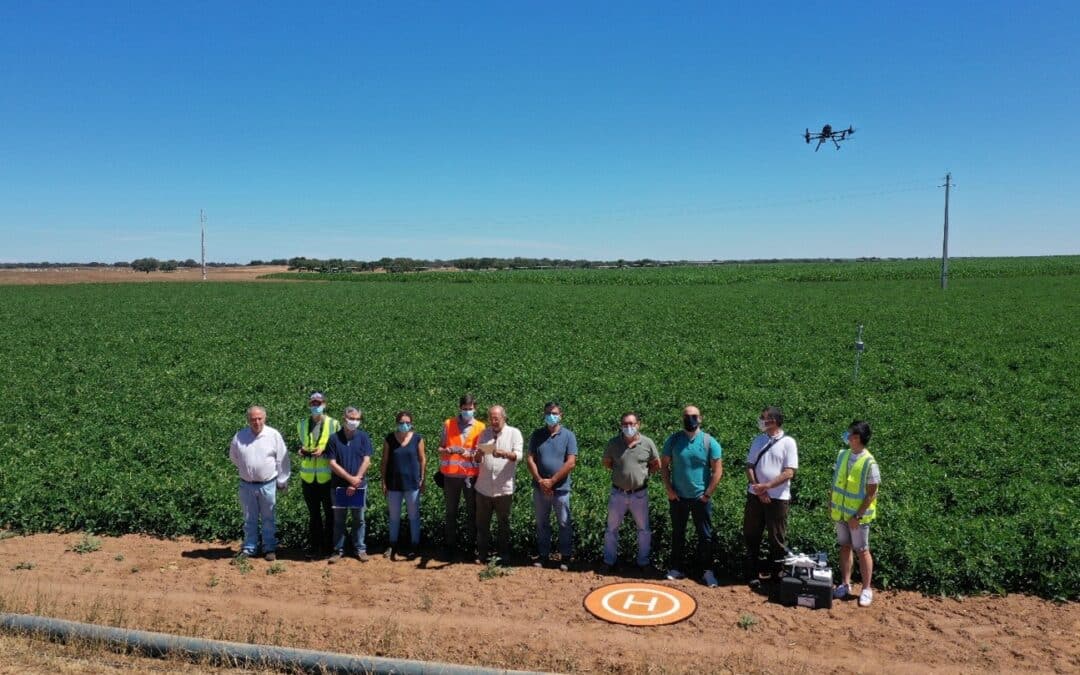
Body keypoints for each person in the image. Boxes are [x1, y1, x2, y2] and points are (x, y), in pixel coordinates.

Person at [661, 405, 723, 587]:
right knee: (678, 534)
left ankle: (706, 571)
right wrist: (669, 490)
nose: (690, 419)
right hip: (678, 497)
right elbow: (664, 466)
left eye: (694, 416)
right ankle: (676, 568)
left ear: (700, 418)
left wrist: (707, 494)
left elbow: (718, 470)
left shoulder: (709, 442)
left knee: (705, 536)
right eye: (687, 416)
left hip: (700, 498)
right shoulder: (673, 440)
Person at [743, 406, 799, 588]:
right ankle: (752, 574)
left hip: (778, 498)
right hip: (755, 497)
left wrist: (767, 486)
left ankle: (776, 576)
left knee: (777, 538)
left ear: (774, 421)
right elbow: (749, 466)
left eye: (764, 417)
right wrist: (759, 489)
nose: (761, 420)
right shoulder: (758, 440)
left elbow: (789, 472)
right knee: (752, 535)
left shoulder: (788, 442)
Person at [602, 412, 661, 575]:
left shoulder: (647, 443)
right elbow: (607, 462)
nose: (628, 427)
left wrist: (643, 475)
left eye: (631, 424)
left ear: (638, 425)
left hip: (639, 494)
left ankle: (643, 562)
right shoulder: (614, 443)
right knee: (611, 529)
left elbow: (656, 464)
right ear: (621, 425)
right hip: (618, 493)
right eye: (625, 424)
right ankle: (609, 561)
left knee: (643, 530)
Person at [228, 406, 290, 561]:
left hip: (267, 484)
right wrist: (247, 470)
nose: (256, 422)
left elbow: (282, 459)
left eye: (259, 418)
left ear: (265, 418)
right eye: (253, 419)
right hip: (246, 484)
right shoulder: (240, 436)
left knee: (268, 518)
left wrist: (282, 481)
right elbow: (234, 457)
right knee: (249, 518)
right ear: (248, 420)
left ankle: (269, 548)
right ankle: (249, 548)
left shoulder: (273, 435)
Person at [831, 420, 880, 607]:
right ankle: (845, 583)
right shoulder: (843, 455)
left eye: (851, 433)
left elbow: (871, 493)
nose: (847, 436)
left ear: (858, 438)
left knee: (862, 549)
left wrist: (857, 516)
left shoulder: (870, 463)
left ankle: (866, 589)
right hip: (841, 513)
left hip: (857, 518)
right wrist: (831, 502)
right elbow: (836, 481)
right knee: (844, 546)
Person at [526, 401, 577, 571]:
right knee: (542, 522)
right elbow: (530, 459)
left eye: (554, 413)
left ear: (561, 415)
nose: (551, 416)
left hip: (561, 488)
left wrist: (552, 481)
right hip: (540, 487)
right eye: (548, 413)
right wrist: (540, 480)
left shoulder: (568, 435)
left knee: (564, 522)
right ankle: (543, 555)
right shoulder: (537, 434)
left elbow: (570, 462)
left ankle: (566, 556)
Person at [437, 394, 486, 561]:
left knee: (472, 513)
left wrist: (465, 452)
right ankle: (450, 547)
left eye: (470, 409)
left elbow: (481, 453)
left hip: (471, 477)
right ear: (460, 408)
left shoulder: (481, 427)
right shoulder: (448, 424)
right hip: (451, 476)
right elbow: (441, 447)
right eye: (464, 409)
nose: (467, 411)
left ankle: (470, 548)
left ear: (475, 408)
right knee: (451, 513)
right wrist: (448, 450)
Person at [473, 404, 524, 564]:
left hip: (504, 488)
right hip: (483, 488)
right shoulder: (484, 434)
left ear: (504, 417)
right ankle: (482, 554)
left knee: (503, 524)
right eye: (491, 418)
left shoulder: (514, 433)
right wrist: (478, 455)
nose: (493, 421)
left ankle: (503, 555)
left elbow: (519, 455)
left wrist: (505, 454)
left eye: (496, 418)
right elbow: (476, 459)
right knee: (482, 524)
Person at [326, 407, 373, 563]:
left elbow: (367, 460)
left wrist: (357, 479)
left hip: (359, 486)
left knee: (358, 519)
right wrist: (349, 479)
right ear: (344, 418)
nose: (354, 421)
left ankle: (360, 549)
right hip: (339, 486)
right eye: (351, 418)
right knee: (339, 520)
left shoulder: (363, 437)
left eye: (357, 419)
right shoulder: (334, 439)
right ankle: (338, 550)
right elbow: (332, 463)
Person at [296, 392, 340, 559]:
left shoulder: (334, 424)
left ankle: (329, 548)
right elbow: (301, 444)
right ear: (309, 405)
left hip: (327, 477)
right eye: (313, 403)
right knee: (313, 514)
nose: (316, 406)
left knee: (330, 513)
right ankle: (315, 547)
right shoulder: (301, 424)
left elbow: (339, 448)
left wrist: (325, 451)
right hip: (308, 477)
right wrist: (302, 451)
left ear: (325, 404)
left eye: (318, 403)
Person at [381, 410, 426, 560]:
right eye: (401, 422)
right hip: (394, 484)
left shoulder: (418, 439)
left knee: (414, 516)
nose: (404, 425)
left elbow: (422, 460)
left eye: (407, 422)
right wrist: (383, 481)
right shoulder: (389, 439)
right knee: (394, 517)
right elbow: (385, 461)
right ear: (397, 423)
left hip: (412, 483)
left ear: (411, 423)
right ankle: (392, 545)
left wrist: (422, 479)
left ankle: (415, 545)